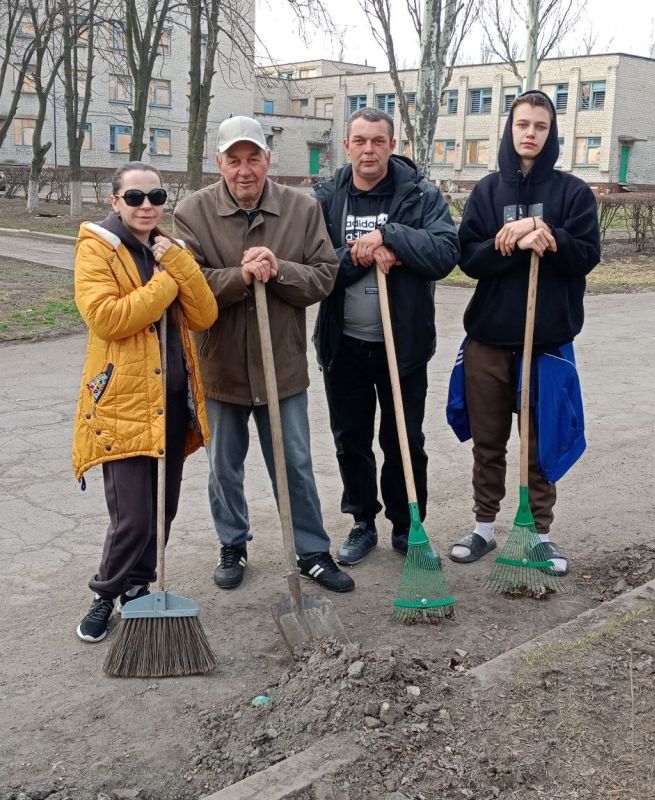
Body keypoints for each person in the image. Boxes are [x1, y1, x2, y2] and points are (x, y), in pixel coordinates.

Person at [173, 116, 354, 593]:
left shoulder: (301, 208)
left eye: (254, 158)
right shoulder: (192, 213)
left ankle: (311, 550)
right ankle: (233, 542)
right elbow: (187, 287)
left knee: (294, 462)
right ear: (219, 163)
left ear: (268, 160)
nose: (244, 169)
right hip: (221, 368)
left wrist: (279, 270)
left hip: (283, 364)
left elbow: (324, 275)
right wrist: (240, 276)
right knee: (223, 466)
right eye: (234, 160)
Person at [449, 90, 600, 574]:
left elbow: (586, 255)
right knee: (489, 441)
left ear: (551, 133)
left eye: (539, 125)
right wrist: (510, 241)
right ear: (509, 130)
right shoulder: (488, 192)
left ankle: (538, 535)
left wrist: (545, 232)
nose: (530, 133)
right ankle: (484, 529)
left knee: (538, 443)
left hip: (546, 341)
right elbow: (468, 257)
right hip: (489, 340)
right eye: (522, 125)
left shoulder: (572, 193)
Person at [73, 161, 218, 642]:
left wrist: (176, 264)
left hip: (173, 401)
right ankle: (104, 594)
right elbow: (109, 318)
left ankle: (138, 586)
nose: (146, 206)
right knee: (132, 515)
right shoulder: (98, 249)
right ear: (115, 201)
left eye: (156, 196)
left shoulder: (168, 251)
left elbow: (205, 313)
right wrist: (163, 283)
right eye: (134, 197)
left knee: (162, 509)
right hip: (123, 403)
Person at [313, 107, 460, 565]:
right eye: (360, 141)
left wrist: (391, 236)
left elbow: (445, 252)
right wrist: (359, 255)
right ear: (347, 146)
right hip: (345, 345)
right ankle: (362, 521)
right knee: (351, 439)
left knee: (403, 439)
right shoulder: (327, 198)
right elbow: (312, 268)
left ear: (393, 145)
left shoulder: (420, 195)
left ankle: (407, 523)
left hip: (405, 346)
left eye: (378, 141)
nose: (369, 149)